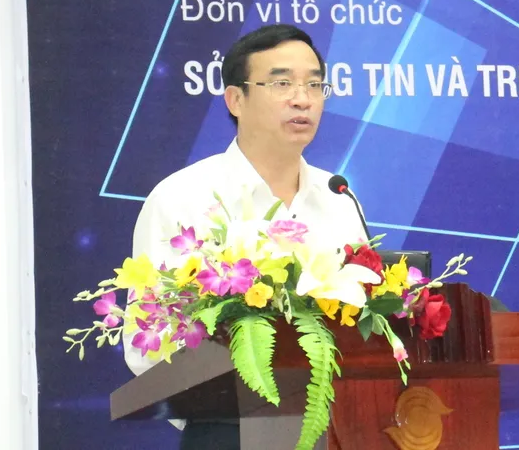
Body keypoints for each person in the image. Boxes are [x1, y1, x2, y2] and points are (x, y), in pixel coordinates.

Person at [122, 24, 363, 449]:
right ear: (236, 99)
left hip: (337, 431)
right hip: (227, 431)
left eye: (314, 85)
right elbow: (147, 344)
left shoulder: (338, 198)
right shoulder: (182, 198)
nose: (302, 99)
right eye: (282, 83)